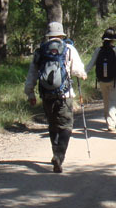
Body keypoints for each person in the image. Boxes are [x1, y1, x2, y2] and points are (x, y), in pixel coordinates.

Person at [25, 21, 87, 173]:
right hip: (64, 95)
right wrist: (83, 75)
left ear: (49, 35)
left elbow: (32, 74)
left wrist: (30, 93)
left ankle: (55, 152)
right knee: (66, 125)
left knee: (52, 125)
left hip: (46, 94)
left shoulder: (40, 51)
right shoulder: (69, 49)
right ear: (61, 35)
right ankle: (59, 155)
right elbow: (77, 70)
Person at [85, 28, 116, 132]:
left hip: (102, 79)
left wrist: (84, 73)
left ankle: (107, 119)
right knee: (113, 101)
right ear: (113, 40)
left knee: (106, 100)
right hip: (114, 80)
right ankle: (111, 124)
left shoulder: (98, 50)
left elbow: (91, 63)